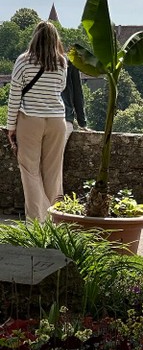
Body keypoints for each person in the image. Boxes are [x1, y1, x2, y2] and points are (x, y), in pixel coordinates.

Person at [5, 21, 70, 221]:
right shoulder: (61, 62)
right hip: (57, 120)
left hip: (30, 119)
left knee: (29, 170)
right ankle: (52, 219)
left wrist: (11, 126)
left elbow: (15, 95)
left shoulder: (23, 61)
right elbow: (60, 87)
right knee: (52, 171)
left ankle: (36, 221)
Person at [62, 60, 87, 131]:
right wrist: (82, 123)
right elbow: (77, 93)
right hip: (64, 117)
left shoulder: (30, 61)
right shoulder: (68, 62)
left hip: (34, 116)